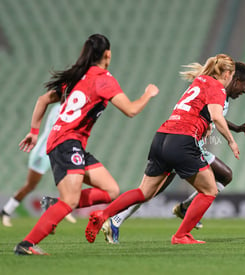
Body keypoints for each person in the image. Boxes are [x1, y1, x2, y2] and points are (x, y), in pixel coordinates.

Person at [14, 33, 159, 255]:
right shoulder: (103, 79)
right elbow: (131, 110)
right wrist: (148, 94)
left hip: (70, 141)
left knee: (111, 190)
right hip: (66, 141)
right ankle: (26, 244)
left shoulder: (78, 76)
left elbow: (43, 100)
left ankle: (53, 205)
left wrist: (35, 132)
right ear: (108, 54)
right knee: (70, 200)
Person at [85, 53, 239, 245]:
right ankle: (181, 235)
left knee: (144, 192)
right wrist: (231, 141)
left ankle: (103, 214)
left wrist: (205, 124)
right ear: (226, 74)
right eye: (232, 77)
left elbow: (198, 109)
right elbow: (216, 115)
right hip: (183, 140)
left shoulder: (200, 81)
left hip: (162, 136)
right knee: (209, 190)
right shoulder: (217, 87)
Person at [1, 104, 76, 227]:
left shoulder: (68, 106)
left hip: (56, 150)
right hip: (43, 152)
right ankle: (6, 211)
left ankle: (65, 208)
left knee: (68, 176)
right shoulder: (60, 107)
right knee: (30, 185)